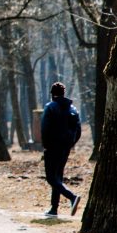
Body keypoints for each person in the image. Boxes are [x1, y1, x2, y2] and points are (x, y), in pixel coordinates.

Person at [40, 82, 82, 216]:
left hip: (52, 147)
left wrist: (46, 145)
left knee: (51, 178)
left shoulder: (50, 107)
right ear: (63, 94)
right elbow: (78, 130)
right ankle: (54, 209)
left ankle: (72, 197)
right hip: (65, 148)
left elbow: (45, 128)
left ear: (52, 94)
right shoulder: (73, 109)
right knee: (58, 177)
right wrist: (70, 144)